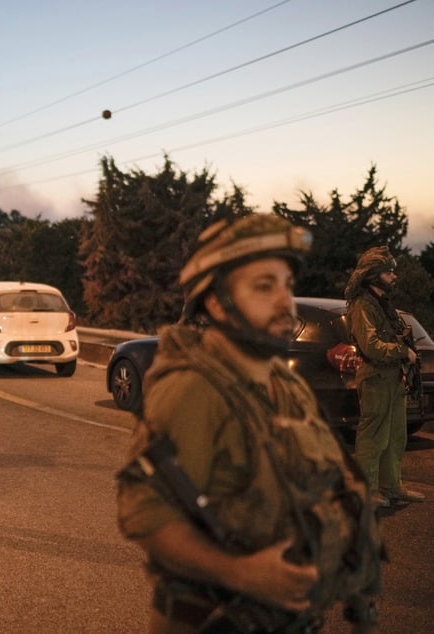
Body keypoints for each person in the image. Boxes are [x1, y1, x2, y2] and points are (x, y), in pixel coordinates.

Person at [116, 215, 382, 632]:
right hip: (214, 621)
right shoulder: (194, 389)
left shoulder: (283, 381)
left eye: (286, 285)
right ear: (219, 301)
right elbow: (144, 516)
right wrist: (238, 573)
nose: (284, 301)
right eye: (263, 286)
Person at [345, 246, 424, 508]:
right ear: (373, 275)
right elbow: (371, 346)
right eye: (388, 272)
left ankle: (391, 487)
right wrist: (403, 351)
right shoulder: (362, 305)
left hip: (392, 377)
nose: (394, 276)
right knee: (373, 436)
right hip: (376, 378)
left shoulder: (382, 304)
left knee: (395, 435)